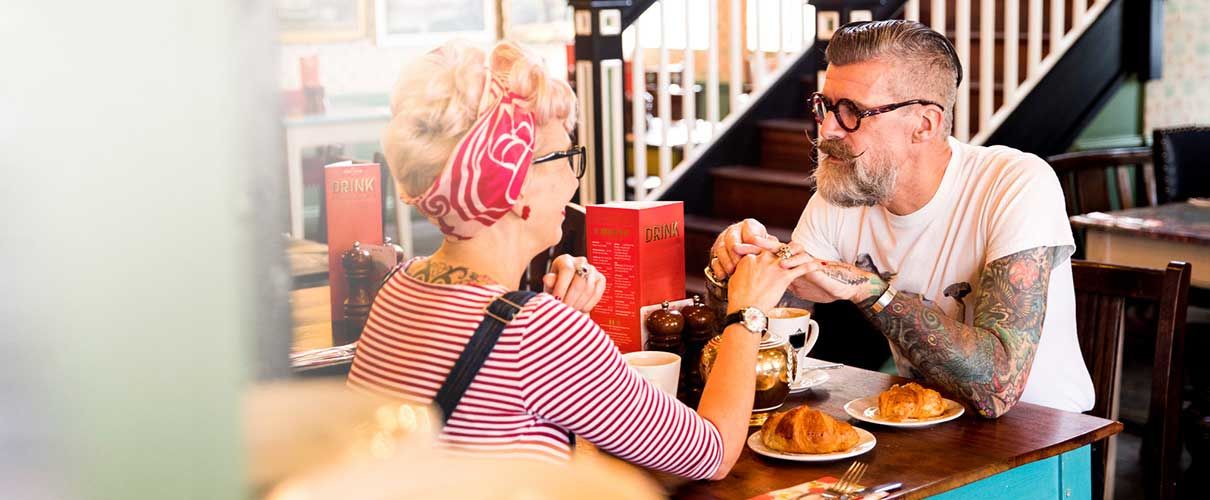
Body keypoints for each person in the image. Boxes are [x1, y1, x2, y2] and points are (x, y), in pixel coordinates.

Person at [347, 40, 810, 480]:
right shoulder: (535, 330)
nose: (574, 180)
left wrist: (561, 327)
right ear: (513, 185)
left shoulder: (397, 287)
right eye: (566, 154)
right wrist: (747, 315)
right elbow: (712, 453)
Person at [708, 20, 1094, 418]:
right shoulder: (845, 187)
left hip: (1044, 434)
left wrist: (870, 290)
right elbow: (776, 328)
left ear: (924, 125)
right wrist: (738, 271)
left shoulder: (1015, 182)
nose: (826, 129)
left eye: (852, 112)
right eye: (825, 107)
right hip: (918, 421)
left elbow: (996, 387)